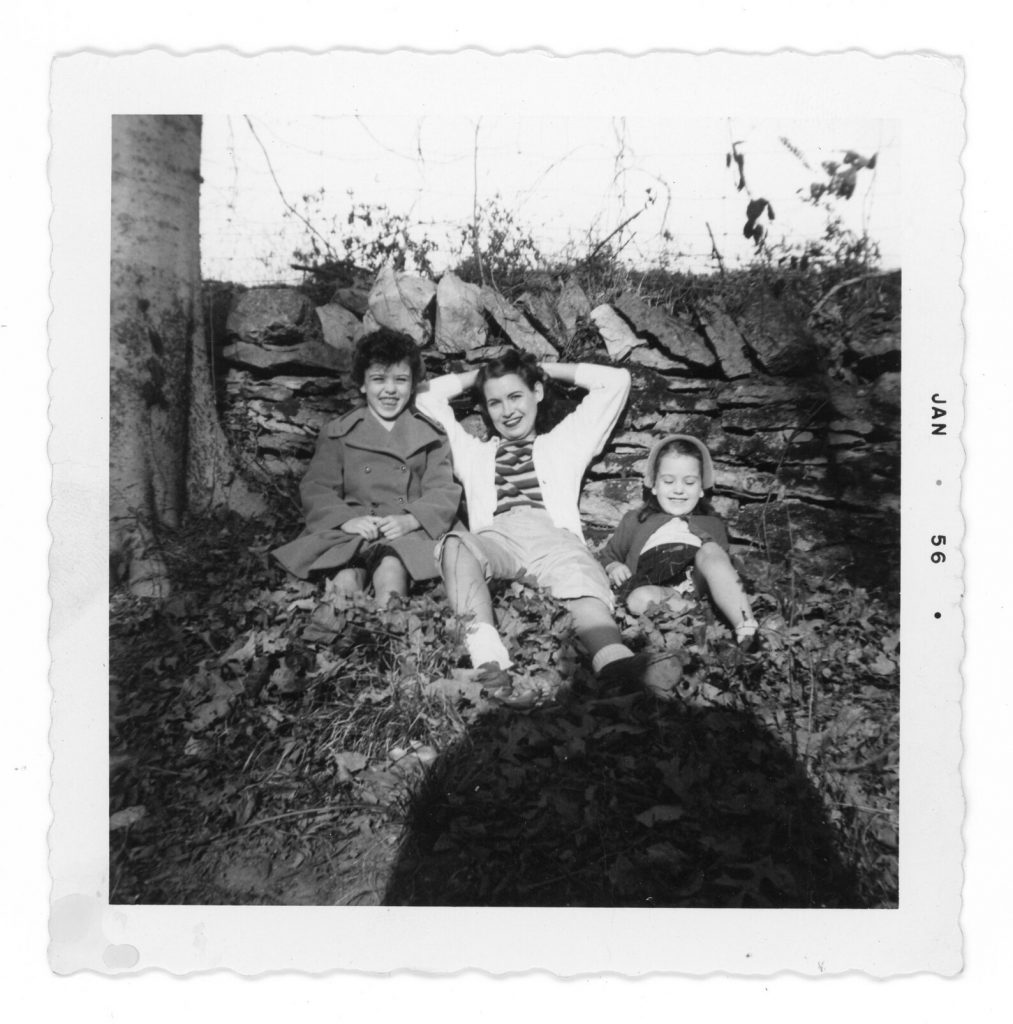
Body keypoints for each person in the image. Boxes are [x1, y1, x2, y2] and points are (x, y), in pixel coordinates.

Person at [414, 349, 683, 701]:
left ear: (537, 393)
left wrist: (541, 369)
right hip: (498, 536)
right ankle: (489, 662)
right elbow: (423, 395)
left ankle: (614, 663)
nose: (508, 411)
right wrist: (480, 375)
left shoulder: (564, 442)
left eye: (516, 396)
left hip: (554, 537)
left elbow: (616, 381)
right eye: (494, 403)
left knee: (579, 579)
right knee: (455, 546)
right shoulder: (472, 452)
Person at [273, 329, 462, 606]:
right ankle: (338, 634)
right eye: (378, 379)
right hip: (355, 529)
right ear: (362, 384)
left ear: (412, 386)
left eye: (400, 380)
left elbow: (443, 489)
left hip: (407, 530)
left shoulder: (430, 434)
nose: (389, 389)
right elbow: (317, 487)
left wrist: (412, 519)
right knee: (345, 578)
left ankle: (391, 626)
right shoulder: (339, 432)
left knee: (391, 571)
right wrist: (346, 520)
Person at [601, 434, 758, 645]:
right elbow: (607, 556)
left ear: (701, 488)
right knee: (638, 599)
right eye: (668, 481)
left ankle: (745, 623)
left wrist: (714, 556)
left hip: (697, 580)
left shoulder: (711, 523)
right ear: (654, 485)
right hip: (658, 588)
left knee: (711, 551)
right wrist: (613, 567)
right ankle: (701, 616)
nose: (678, 489)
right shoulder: (636, 520)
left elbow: (721, 567)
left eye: (690, 482)